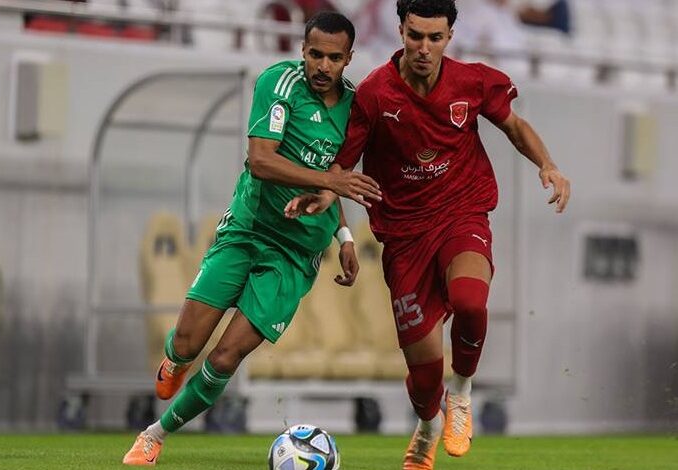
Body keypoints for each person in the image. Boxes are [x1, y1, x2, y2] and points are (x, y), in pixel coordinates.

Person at [285, 1, 571, 468]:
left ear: (450, 37)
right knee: (422, 374)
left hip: (462, 213)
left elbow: (514, 125)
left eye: (434, 38)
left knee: (471, 302)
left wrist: (548, 165)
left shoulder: (473, 81)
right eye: (414, 35)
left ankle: (460, 394)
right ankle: (428, 424)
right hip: (404, 235)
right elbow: (343, 164)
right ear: (400, 30)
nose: (423, 48)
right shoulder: (376, 93)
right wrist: (321, 196)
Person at [121, 10, 382, 466]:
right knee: (187, 341)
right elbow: (261, 160)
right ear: (302, 51)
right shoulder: (278, 85)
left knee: (226, 357)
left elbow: (332, 179)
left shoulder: (355, 108)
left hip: (296, 253)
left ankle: (154, 436)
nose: (323, 66)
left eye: (333, 58)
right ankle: (176, 361)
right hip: (248, 228)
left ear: (348, 59)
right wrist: (330, 181)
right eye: (315, 54)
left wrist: (343, 234)